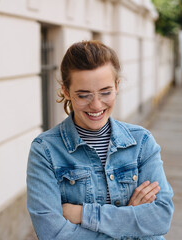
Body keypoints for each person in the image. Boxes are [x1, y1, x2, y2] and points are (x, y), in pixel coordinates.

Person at [27, 40, 173, 240]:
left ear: (117, 86)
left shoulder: (141, 142)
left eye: (105, 92)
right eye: (83, 95)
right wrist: (130, 222)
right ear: (66, 91)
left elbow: (160, 218)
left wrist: (82, 214)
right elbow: (52, 233)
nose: (96, 105)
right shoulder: (45, 150)